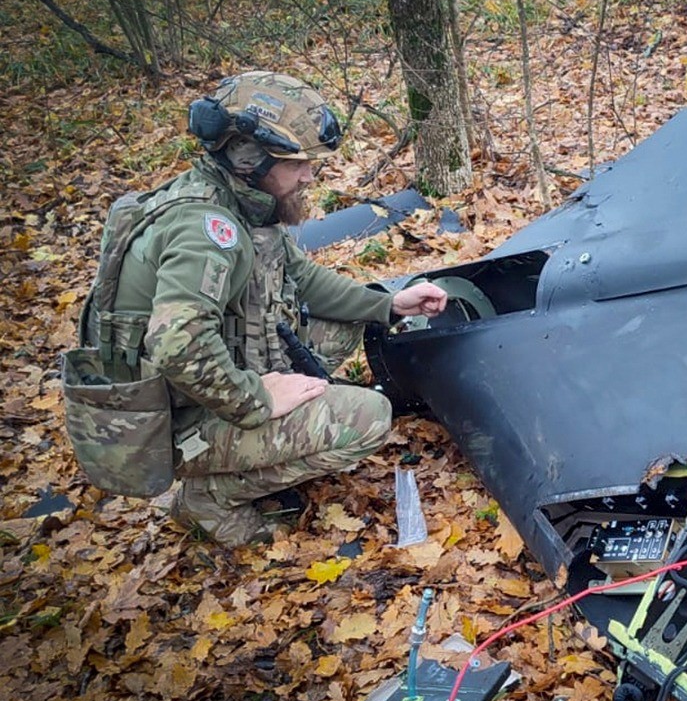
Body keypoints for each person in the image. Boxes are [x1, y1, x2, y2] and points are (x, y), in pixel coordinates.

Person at [79, 70, 447, 546]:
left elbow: (302, 277)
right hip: (172, 425)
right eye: (296, 164)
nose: (308, 176)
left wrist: (388, 304)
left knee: (345, 325)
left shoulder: (240, 201)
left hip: (202, 388)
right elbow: (176, 345)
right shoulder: (205, 230)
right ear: (247, 158)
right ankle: (209, 497)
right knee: (369, 417)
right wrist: (259, 399)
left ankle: (261, 447)